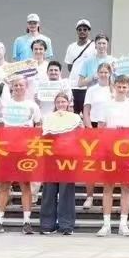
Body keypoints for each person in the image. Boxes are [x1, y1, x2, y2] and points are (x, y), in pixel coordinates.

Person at [0, 75, 42, 234]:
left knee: (25, 185)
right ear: (11, 87)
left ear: (26, 87)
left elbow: (38, 126)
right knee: (4, 185)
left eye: (21, 85)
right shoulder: (3, 105)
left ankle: (27, 222)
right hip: (6, 150)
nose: (19, 88)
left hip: (25, 151)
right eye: (16, 85)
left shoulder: (32, 106)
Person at [97, 74, 129, 236]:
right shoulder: (107, 105)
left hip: (128, 150)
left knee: (126, 186)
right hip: (109, 150)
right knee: (108, 186)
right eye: (119, 86)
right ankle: (106, 224)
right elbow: (100, 127)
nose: (122, 89)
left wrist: (126, 128)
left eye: (124, 87)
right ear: (114, 86)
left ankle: (123, 224)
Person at [38, 92, 79, 235]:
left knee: (66, 191)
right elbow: (43, 136)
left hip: (68, 158)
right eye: (58, 102)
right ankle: (47, 224)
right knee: (49, 191)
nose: (61, 104)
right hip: (51, 157)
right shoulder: (48, 117)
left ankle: (66, 225)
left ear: (68, 103)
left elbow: (81, 135)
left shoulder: (75, 118)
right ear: (55, 104)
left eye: (63, 102)